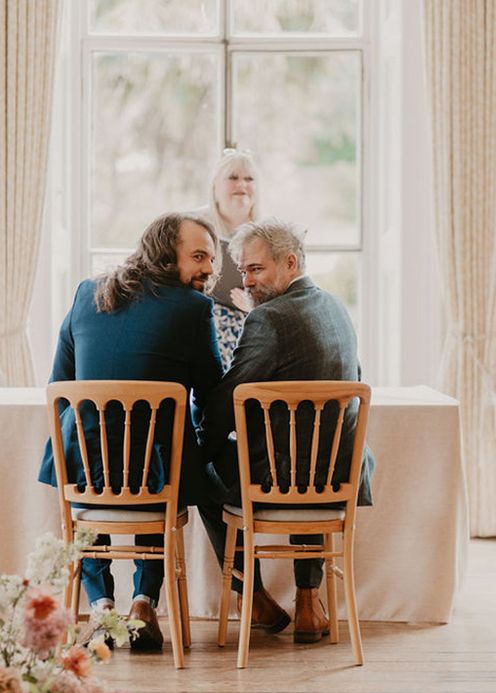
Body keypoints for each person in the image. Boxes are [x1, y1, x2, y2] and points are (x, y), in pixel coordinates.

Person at [38, 212, 223, 650]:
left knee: (100, 449)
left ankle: (100, 605)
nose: (210, 270)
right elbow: (212, 394)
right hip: (155, 476)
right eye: (199, 256)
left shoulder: (87, 294)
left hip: (85, 474)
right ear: (164, 253)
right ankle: (143, 602)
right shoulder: (194, 310)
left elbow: (59, 387)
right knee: (160, 455)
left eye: (211, 259)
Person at [198, 217, 376, 644]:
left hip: (285, 478)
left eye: (255, 269)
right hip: (338, 475)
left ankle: (253, 595)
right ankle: (309, 600)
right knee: (301, 452)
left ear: (290, 262)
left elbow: (227, 401)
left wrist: (201, 435)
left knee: (197, 470)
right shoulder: (336, 308)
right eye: (242, 271)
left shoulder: (269, 320)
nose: (247, 281)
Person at [199, 149, 260, 370]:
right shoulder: (193, 226)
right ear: (215, 187)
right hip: (205, 317)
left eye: (249, 179)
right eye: (233, 177)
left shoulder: (268, 234)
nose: (242, 185)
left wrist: (256, 306)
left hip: (252, 321)